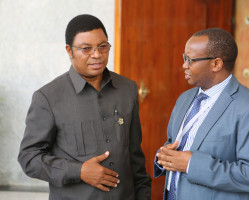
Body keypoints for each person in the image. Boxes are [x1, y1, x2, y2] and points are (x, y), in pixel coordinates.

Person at [18, 14, 151, 200]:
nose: (96, 54)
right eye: (86, 49)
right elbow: (29, 158)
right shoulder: (47, 98)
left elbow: (135, 157)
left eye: (102, 47)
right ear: (69, 51)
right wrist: (79, 171)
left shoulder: (127, 89)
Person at [154, 28, 249, 200]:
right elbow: (173, 143)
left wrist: (191, 164)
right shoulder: (185, 98)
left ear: (216, 64)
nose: (184, 65)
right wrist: (164, 156)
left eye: (190, 60)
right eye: (184, 58)